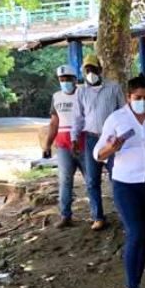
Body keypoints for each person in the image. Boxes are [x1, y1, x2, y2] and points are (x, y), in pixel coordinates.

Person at [94, 75, 145, 288]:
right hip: (125, 184)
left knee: (144, 234)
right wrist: (111, 148)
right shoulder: (116, 119)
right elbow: (98, 154)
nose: (143, 102)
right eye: (138, 98)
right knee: (135, 232)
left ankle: (136, 284)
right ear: (128, 97)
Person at [70, 52, 123, 231]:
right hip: (91, 139)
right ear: (83, 73)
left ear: (100, 69)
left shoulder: (114, 87)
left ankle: (124, 212)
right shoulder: (81, 91)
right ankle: (98, 216)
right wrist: (74, 137)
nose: (90, 72)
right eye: (87, 70)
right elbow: (78, 117)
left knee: (117, 177)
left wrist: (122, 135)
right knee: (92, 180)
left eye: (93, 68)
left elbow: (122, 111)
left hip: (112, 139)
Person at [45, 65, 86, 228]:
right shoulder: (56, 97)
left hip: (83, 142)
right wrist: (47, 144)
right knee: (65, 181)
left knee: (90, 180)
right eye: (62, 80)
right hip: (62, 144)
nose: (65, 82)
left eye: (68, 79)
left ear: (75, 80)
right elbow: (54, 122)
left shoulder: (83, 94)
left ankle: (98, 215)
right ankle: (65, 215)